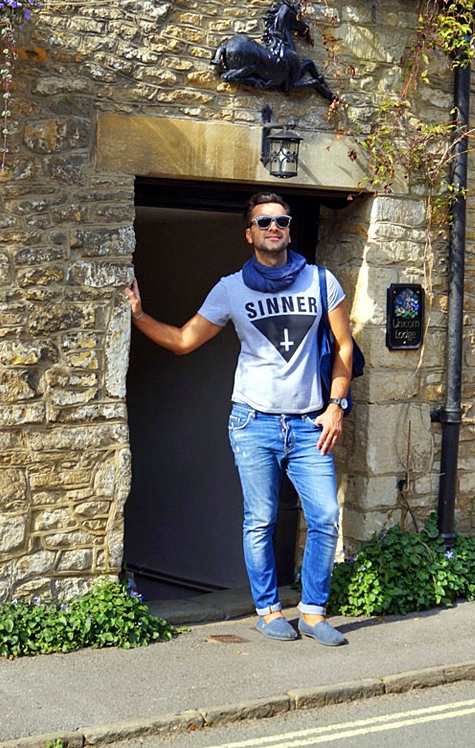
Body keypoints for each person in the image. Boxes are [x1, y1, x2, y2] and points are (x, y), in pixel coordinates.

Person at [125, 191, 354, 646]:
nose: (275, 227)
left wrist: (335, 406)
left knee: (326, 515)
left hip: (311, 424)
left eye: (282, 221)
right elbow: (184, 340)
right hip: (254, 422)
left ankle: (312, 612)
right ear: (249, 232)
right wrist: (139, 316)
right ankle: (268, 611)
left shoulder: (322, 282)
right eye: (264, 222)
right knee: (261, 519)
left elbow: (344, 347)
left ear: (289, 229)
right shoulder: (231, 288)